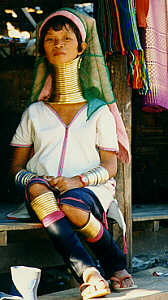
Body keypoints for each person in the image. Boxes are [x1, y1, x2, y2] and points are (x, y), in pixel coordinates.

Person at [9, 8, 135, 299]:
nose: (58, 44)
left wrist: (76, 181)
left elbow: (110, 167)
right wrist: (35, 178)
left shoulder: (99, 111)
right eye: (51, 38)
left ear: (82, 47)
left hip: (90, 190)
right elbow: (15, 168)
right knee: (41, 192)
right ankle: (90, 272)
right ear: (42, 47)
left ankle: (112, 260)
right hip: (42, 190)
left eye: (66, 38)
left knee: (71, 207)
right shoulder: (35, 113)